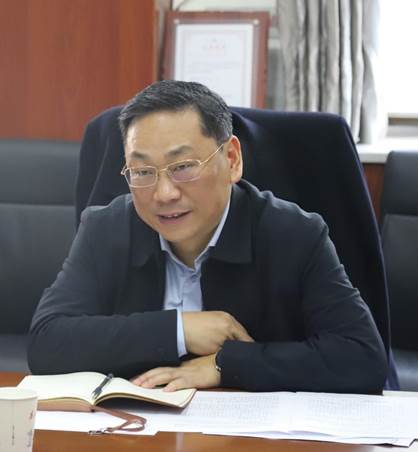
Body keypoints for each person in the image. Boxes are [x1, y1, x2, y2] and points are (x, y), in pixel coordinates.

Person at [28, 80, 388, 393]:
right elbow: (47, 342)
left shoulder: (292, 233)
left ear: (231, 159)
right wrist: (179, 330)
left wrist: (225, 364)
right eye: (142, 171)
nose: (164, 193)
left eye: (183, 167)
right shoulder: (106, 229)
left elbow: (362, 356)